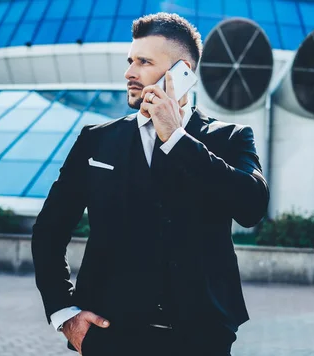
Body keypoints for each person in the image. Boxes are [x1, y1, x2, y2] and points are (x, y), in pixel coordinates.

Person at [31, 12, 269, 356]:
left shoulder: (231, 138)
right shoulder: (96, 141)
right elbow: (49, 230)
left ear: (182, 72)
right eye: (130, 61)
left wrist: (176, 137)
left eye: (143, 62)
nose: (129, 72)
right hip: (109, 335)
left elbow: (251, 208)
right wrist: (63, 313)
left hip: (202, 337)